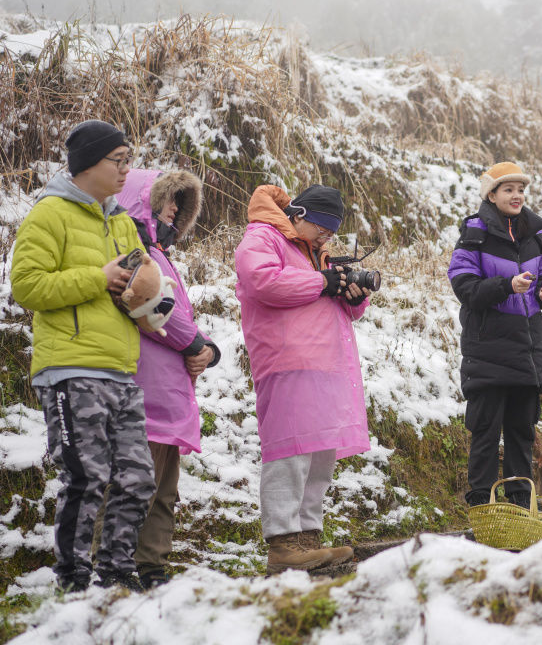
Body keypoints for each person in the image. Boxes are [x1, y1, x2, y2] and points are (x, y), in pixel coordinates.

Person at [11, 120, 156, 592]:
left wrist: (152, 302)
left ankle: (117, 578)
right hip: (70, 371)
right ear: (87, 163)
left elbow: (139, 286)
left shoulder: (121, 222)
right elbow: (27, 287)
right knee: (86, 477)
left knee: (136, 479)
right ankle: (73, 581)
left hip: (121, 370)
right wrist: (100, 277)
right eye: (119, 160)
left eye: (128, 160)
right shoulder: (49, 214)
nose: (125, 170)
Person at [234, 184, 370, 574]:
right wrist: (323, 282)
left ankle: (309, 537)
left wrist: (352, 292)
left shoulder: (315, 252)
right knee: (290, 452)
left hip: (327, 361)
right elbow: (263, 282)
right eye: (322, 229)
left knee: (321, 453)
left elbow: (347, 312)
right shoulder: (263, 236)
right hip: (286, 359)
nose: (327, 237)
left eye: (331, 232)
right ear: (298, 216)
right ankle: (283, 543)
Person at [115, 168, 220, 589]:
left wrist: (208, 350)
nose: (175, 209)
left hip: (168, 391)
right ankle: (114, 569)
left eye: (180, 202)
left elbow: (179, 314)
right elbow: (151, 304)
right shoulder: (130, 247)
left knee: (162, 490)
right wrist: (196, 345)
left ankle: (151, 568)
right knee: (131, 485)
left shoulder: (159, 253)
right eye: (169, 199)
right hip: (145, 387)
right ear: (143, 199)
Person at [447, 161, 542, 508]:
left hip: (527, 350)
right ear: (492, 194)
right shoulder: (474, 234)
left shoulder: (535, 235)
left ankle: (519, 507)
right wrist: (505, 286)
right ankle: (481, 506)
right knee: (485, 433)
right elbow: (465, 287)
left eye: (521, 189)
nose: (517, 195)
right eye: (508, 189)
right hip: (488, 351)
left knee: (521, 432)